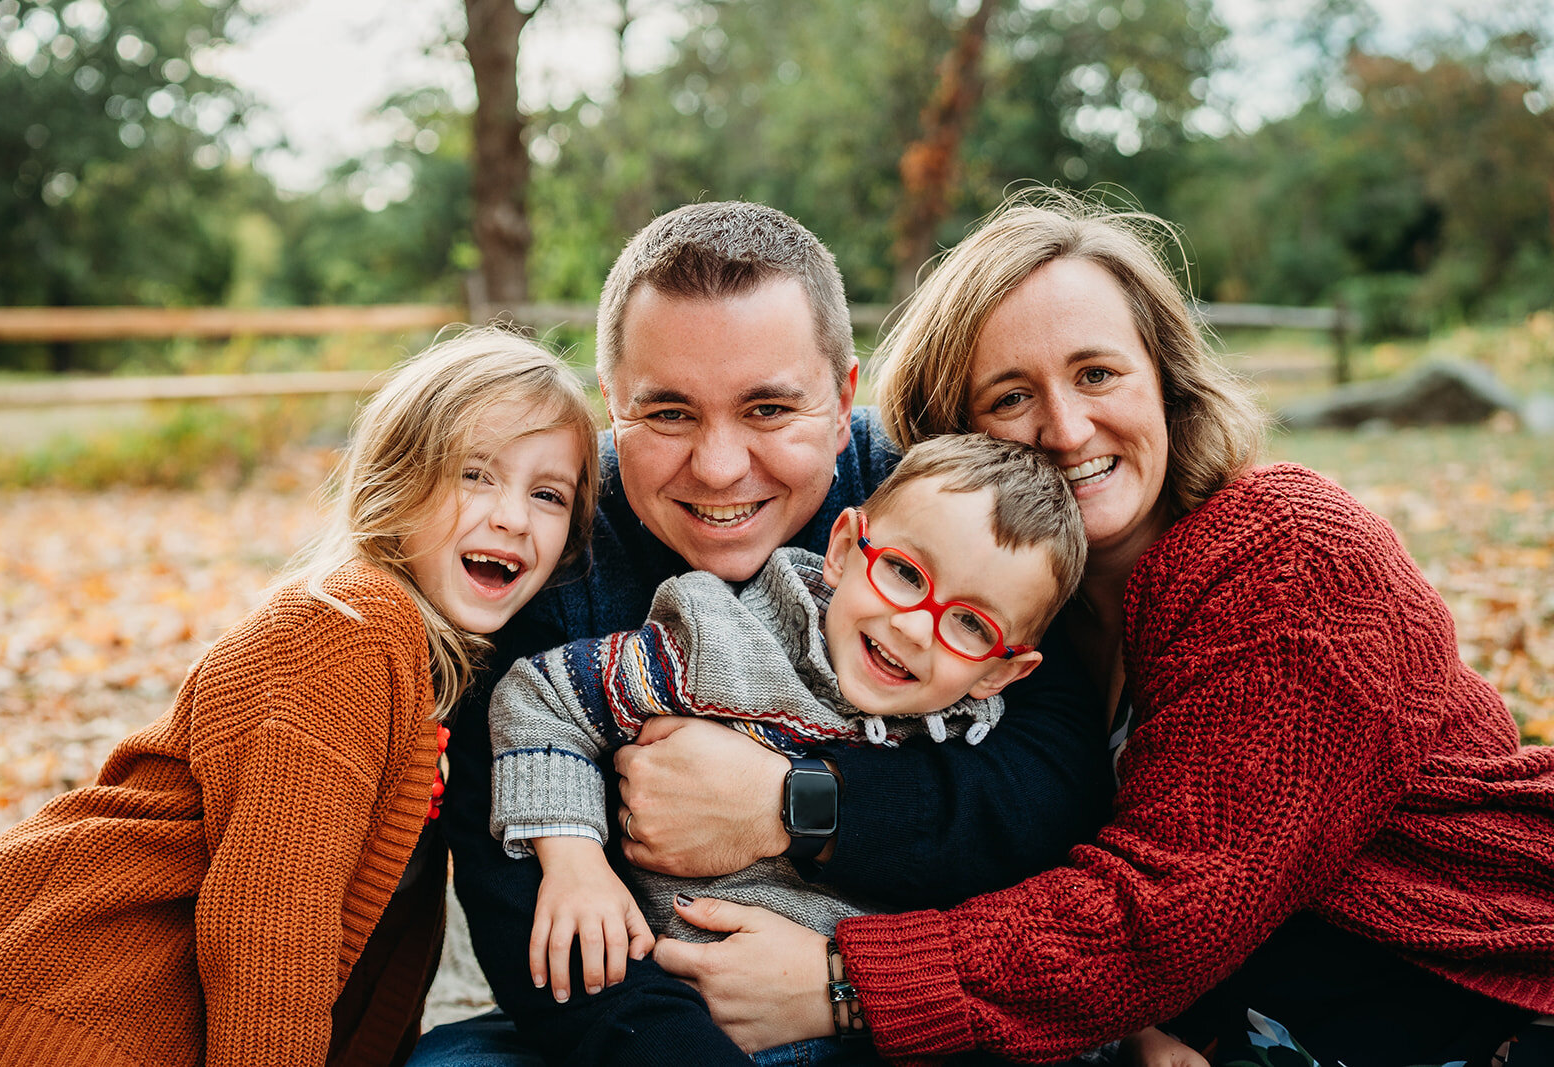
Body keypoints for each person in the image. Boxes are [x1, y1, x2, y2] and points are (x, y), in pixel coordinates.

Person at [642, 189, 1554, 1067]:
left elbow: (1175, 903)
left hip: (1490, 1000)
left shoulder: (1288, 551)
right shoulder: (1005, 631)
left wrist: (842, 980)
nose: (1068, 428)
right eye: (1010, 397)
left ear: (1166, 378)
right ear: (958, 441)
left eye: (1098, 373)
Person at [415, 201, 1113, 1066]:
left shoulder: (937, 505)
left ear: (845, 393)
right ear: (613, 405)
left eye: (769, 410)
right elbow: (523, 900)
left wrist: (793, 807)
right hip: (662, 1015)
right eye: (667, 413)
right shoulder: (551, 539)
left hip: (891, 996)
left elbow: (1050, 786)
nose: (718, 466)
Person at [0, 327, 600, 1067]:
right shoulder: (350, 628)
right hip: (37, 1011)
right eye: (475, 475)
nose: (513, 516)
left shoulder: (444, 679)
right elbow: (270, 924)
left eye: (547, 494)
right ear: (396, 482)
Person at [495, 433, 1082, 1017]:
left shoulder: (975, 749)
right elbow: (543, 696)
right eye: (905, 573)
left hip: (863, 1023)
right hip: (678, 1009)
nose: (914, 628)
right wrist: (574, 861)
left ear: (1002, 673)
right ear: (847, 547)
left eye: (971, 625)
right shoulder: (716, 646)